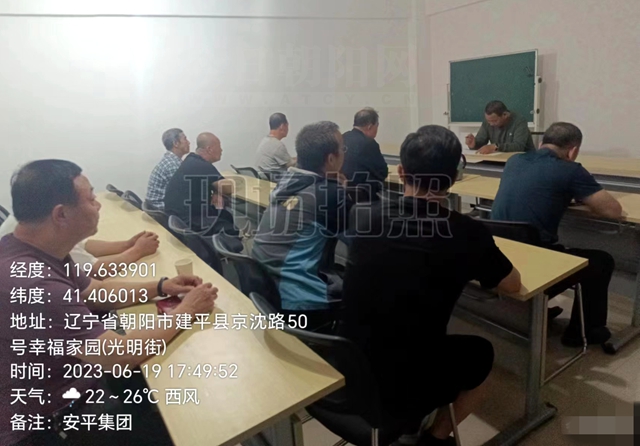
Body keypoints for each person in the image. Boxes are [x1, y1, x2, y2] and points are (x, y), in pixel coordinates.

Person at [0, 159, 217, 446]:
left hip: (79, 388)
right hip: (49, 427)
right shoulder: (33, 282)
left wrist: (162, 286)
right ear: (61, 214)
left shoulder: (31, 248)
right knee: (193, 430)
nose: (98, 205)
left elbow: (96, 292)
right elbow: (120, 356)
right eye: (91, 199)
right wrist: (187, 310)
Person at [341, 125, 521, 446]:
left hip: (350, 364)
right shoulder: (467, 233)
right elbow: (511, 285)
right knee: (482, 352)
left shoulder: (363, 214)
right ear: (454, 178)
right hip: (405, 381)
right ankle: (435, 439)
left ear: (400, 172)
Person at [491, 122, 622, 346]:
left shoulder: (514, 161)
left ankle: (537, 309)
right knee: (601, 261)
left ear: (542, 142)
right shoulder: (571, 170)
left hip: (499, 257)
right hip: (534, 265)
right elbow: (613, 211)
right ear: (573, 151)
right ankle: (582, 333)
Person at [252, 121, 351, 331]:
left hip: (266, 293)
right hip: (301, 304)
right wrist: (342, 191)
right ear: (331, 159)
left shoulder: (285, 182)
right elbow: (362, 244)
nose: (345, 153)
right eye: (343, 149)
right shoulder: (329, 194)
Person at [0, 214, 159, 279]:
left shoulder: (33, 215)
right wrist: (138, 251)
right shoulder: (45, 228)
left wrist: (126, 245)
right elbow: (96, 271)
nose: (97, 205)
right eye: (90, 199)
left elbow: (84, 246)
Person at [164, 132, 240, 239]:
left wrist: (217, 191)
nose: (221, 150)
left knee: (225, 215)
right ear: (209, 149)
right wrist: (224, 188)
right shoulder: (201, 165)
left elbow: (217, 184)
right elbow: (228, 188)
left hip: (178, 219)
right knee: (229, 226)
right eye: (219, 146)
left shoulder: (192, 160)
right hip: (190, 221)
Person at [341, 107, 388, 201]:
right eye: (377, 126)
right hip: (365, 197)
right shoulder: (369, 143)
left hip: (344, 195)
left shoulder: (342, 138)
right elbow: (382, 172)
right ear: (370, 126)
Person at [465, 100, 535, 154]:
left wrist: (496, 147)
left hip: (524, 160)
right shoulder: (488, 122)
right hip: (499, 159)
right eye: (488, 121)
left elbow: (518, 146)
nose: (491, 124)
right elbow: (481, 141)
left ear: (505, 115)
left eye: (494, 121)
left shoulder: (519, 121)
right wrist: (474, 144)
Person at [145, 128, 190, 209]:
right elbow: (185, 192)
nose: (188, 142)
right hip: (162, 210)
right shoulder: (172, 165)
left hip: (157, 206)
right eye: (185, 139)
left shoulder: (171, 160)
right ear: (176, 143)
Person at [255, 113, 296, 177]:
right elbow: (291, 164)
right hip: (277, 180)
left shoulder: (265, 141)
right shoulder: (277, 145)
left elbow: (287, 159)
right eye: (287, 126)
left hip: (265, 180)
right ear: (282, 126)